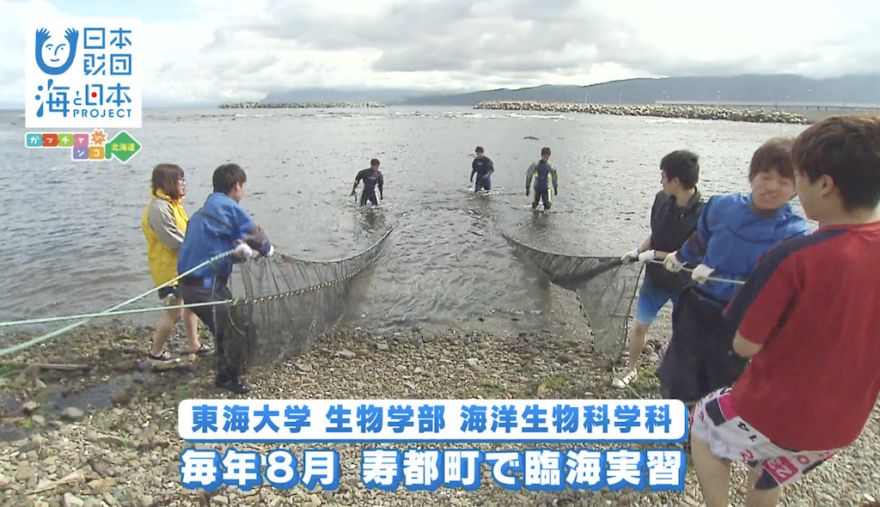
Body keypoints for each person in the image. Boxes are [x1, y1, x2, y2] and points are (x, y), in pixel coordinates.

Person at [689, 115, 880, 506]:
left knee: (705, 424)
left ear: (823, 184)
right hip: (845, 423)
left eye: (798, 177)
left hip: (779, 411)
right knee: (768, 468)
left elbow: (744, 345)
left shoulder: (794, 256)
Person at [658, 137, 810, 406]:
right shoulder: (721, 206)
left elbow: (777, 286)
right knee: (680, 371)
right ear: (752, 177)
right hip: (697, 306)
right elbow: (701, 239)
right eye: (765, 177)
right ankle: (681, 416)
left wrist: (734, 281)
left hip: (740, 317)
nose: (771, 187)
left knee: (723, 380)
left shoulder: (794, 234)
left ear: (796, 189)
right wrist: (679, 257)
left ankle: (713, 427)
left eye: (784, 182)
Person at [177, 163, 274, 394]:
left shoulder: (207, 210)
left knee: (231, 321)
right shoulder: (227, 206)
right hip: (202, 287)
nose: (243, 191)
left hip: (196, 284)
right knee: (237, 328)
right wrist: (267, 248)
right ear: (237, 185)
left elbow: (218, 247)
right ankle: (227, 377)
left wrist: (238, 250)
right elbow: (253, 231)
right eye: (243, 187)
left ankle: (224, 361)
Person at [614, 150, 703, 388]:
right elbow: (657, 234)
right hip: (656, 280)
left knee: (680, 331)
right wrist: (637, 251)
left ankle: (669, 368)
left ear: (676, 181)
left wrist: (655, 255)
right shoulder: (661, 200)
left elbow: (693, 250)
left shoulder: (703, 214)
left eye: (663, 175)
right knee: (641, 325)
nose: (660, 180)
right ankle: (632, 369)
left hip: (684, 283)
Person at [141, 164, 210, 361]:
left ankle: (193, 344)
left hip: (182, 266)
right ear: (168, 182)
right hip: (169, 270)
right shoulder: (158, 208)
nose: (184, 184)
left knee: (190, 305)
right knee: (175, 312)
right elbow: (172, 240)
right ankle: (155, 352)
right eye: (180, 180)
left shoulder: (173, 204)